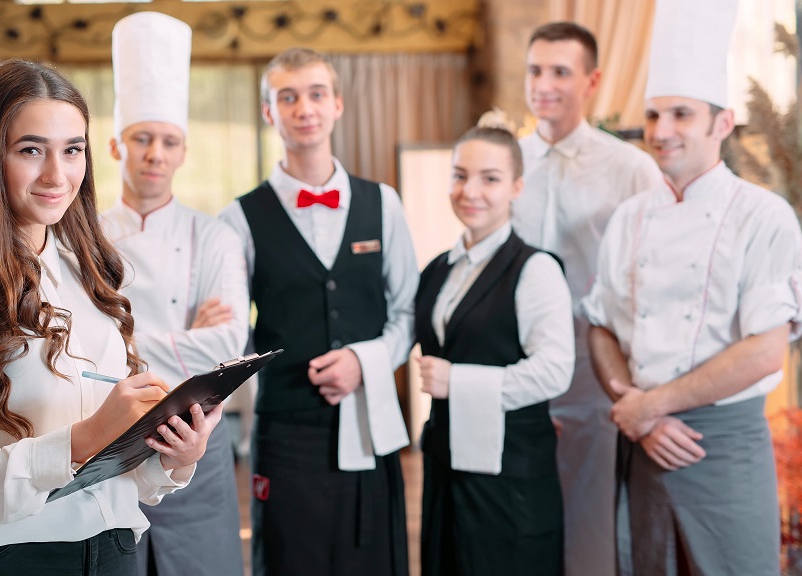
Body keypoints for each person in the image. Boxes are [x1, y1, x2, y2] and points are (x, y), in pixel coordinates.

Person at [0, 59, 222, 575]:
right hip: (5, 559)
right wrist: (84, 438)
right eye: (31, 150)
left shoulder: (91, 276)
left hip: (113, 547)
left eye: (72, 150)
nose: (58, 175)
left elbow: (120, 473)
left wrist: (173, 457)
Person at [581, 1, 802, 573]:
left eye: (681, 115)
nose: (662, 133)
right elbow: (601, 325)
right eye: (654, 116)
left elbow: (764, 350)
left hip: (722, 448)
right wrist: (637, 411)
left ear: (723, 123)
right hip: (645, 448)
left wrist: (650, 407)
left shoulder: (764, 216)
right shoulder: (629, 218)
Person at [219, 47, 415, 576]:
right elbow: (231, 332)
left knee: (370, 556)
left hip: (370, 417)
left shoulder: (384, 203)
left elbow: (407, 311)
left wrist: (365, 361)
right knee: (290, 557)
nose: (304, 107)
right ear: (269, 113)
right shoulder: (238, 218)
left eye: (315, 93)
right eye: (288, 97)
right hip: (285, 430)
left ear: (337, 105)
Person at [99, 13, 247, 576]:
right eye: (142, 138)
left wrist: (124, 341)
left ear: (183, 151)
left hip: (198, 442)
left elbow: (230, 343)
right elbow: (70, 344)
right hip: (109, 446)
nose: (154, 153)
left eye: (168, 141)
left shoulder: (215, 236)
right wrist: (190, 337)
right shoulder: (81, 236)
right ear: (116, 145)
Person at [510, 21, 661, 576]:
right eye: (534, 71)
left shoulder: (631, 168)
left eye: (559, 72)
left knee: (591, 517)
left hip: (592, 368)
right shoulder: (507, 163)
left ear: (592, 80)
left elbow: (654, 272)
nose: (543, 84)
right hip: (517, 367)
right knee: (519, 512)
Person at [416, 114, 574, 575]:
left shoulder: (535, 269)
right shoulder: (438, 269)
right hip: (447, 465)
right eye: (460, 176)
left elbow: (554, 370)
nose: (471, 191)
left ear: (516, 187)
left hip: (511, 475)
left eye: (490, 179)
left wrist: (457, 381)